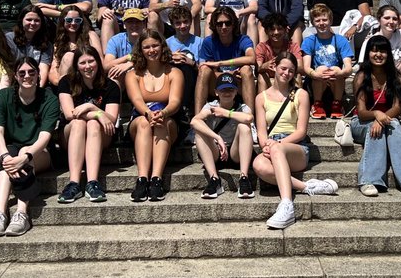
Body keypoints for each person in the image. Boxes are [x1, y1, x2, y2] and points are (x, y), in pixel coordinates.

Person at [254, 52, 337, 229]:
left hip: (295, 146)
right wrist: (266, 145)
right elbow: (261, 132)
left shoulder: (301, 94)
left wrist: (277, 145)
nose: (286, 73)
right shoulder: (261, 97)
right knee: (258, 165)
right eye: (283, 68)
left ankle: (287, 205)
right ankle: (307, 186)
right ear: (274, 67)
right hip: (272, 144)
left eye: (291, 70)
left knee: (277, 150)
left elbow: (301, 131)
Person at [0, 56, 59, 236]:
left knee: (24, 152)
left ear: (38, 74)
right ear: (16, 76)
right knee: (6, 165)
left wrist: (25, 157)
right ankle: (0, 213)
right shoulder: (2, 96)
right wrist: (5, 157)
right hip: (10, 148)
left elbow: (44, 137)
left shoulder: (49, 99)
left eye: (32, 72)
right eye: (22, 73)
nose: (27, 76)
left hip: (40, 152)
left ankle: (21, 213)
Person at [353, 34, 401, 197]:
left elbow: (397, 107)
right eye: (373, 51)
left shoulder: (398, 77)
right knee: (378, 127)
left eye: (383, 51)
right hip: (361, 122)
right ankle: (369, 180)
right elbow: (362, 113)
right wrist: (377, 115)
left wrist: (382, 120)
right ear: (368, 54)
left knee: (391, 125)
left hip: (389, 121)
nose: (378, 55)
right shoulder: (361, 77)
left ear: (389, 54)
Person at [125, 30, 185, 202]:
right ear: (141, 50)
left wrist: (162, 113)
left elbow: (175, 102)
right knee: (145, 123)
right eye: (147, 47)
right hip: (140, 119)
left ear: (162, 47)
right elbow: (136, 99)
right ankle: (142, 179)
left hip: (167, 120)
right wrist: (149, 113)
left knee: (161, 122)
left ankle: (156, 179)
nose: (151, 50)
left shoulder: (174, 73)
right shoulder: (133, 74)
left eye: (155, 45)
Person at [57, 47, 120, 204]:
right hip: (70, 134)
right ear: (76, 65)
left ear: (98, 62)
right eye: (82, 62)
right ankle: (74, 183)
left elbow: (111, 119)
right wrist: (98, 114)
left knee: (92, 124)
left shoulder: (111, 86)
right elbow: (69, 114)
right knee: (79, 123)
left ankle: (92, 182)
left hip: (101, 134)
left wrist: (90, 107)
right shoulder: (66, 82)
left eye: (91, 61)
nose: (88, 66)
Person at [191, 71, 255, 199]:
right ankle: (214, 179)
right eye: (223, 89)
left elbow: (249, 118)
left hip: (236, 153)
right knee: (199, 132)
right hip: (216, 152)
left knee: (244, 126)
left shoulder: (242, 107)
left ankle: (244, 177)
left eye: (230, 89)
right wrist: (217, 137)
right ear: (216, 92)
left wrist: (226, 113)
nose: (227, 93)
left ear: (236, 92)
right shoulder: (211, 106)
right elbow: (194, 121)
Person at [196, 6, 257, 113]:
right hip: (217, 83)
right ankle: (197, 119)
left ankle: (250, 119)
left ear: (233, 24)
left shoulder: (243, 39)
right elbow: (202, 67)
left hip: (238, 83)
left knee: (246, 70)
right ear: (214, 25)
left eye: (227, 23)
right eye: (219, 24)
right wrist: (228, 75)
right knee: (204, 69)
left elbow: (251, 58)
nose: (224, 27)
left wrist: (219, 63)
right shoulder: (208, 42)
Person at [300, 3, 354, 118]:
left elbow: (349, 68)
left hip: (335, 80)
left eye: (324, 20)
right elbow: (306, 67)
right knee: (321, 68)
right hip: (316, 81)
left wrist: (340, 73)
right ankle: (317, 104)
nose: (321, 23)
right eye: (317, 20)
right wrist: (316, 74)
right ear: (313, 23)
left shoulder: (340, 40)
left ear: (330, 21)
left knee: (336, 69)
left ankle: (337, 104)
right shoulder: (309, 41)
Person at [49, 6, 103, 87]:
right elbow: (54, 67)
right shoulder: (59, 42)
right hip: (67, 81)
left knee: (70, 56)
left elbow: (100, 60)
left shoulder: (90, 35)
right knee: (68, 56)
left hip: (88, 76)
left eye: (77, 20)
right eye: (69, 20)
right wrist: (59, 82)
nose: (73, 23)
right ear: (63, 21)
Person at [7, 8, 54, 86]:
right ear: (21, 20)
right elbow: (9, 67)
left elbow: (43, 69)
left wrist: (37, 89)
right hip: (14, 81)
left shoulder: (46, 43)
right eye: (29, 20)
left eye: (37, 20)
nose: (33, 23)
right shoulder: (9, 39)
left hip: (34, 83)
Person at [255, 11, 301, 91]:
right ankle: (262, 103)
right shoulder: (261, 47)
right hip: (269, 79)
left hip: (287, 77)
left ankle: (296, 102)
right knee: (261, 76)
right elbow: (258, 68)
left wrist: (284, 68)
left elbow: (300, 67)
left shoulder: (293, 46)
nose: (276, 32)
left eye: (279, 29)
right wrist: (265, 66)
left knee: (298, 76)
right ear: (266, 31)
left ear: (285, 30)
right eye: (272, 29)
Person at [104, 8, 149, 80]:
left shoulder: (149, 39)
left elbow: (154, 61)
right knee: (115, 76)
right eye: (130, 22)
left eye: (137, 21)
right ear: (124, 25)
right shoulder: (116, 40)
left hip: (145, 76)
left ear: (143, 24)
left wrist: (130, 64)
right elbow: (106, 66)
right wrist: (129, 57)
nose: (134, 25)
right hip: (123, 78)